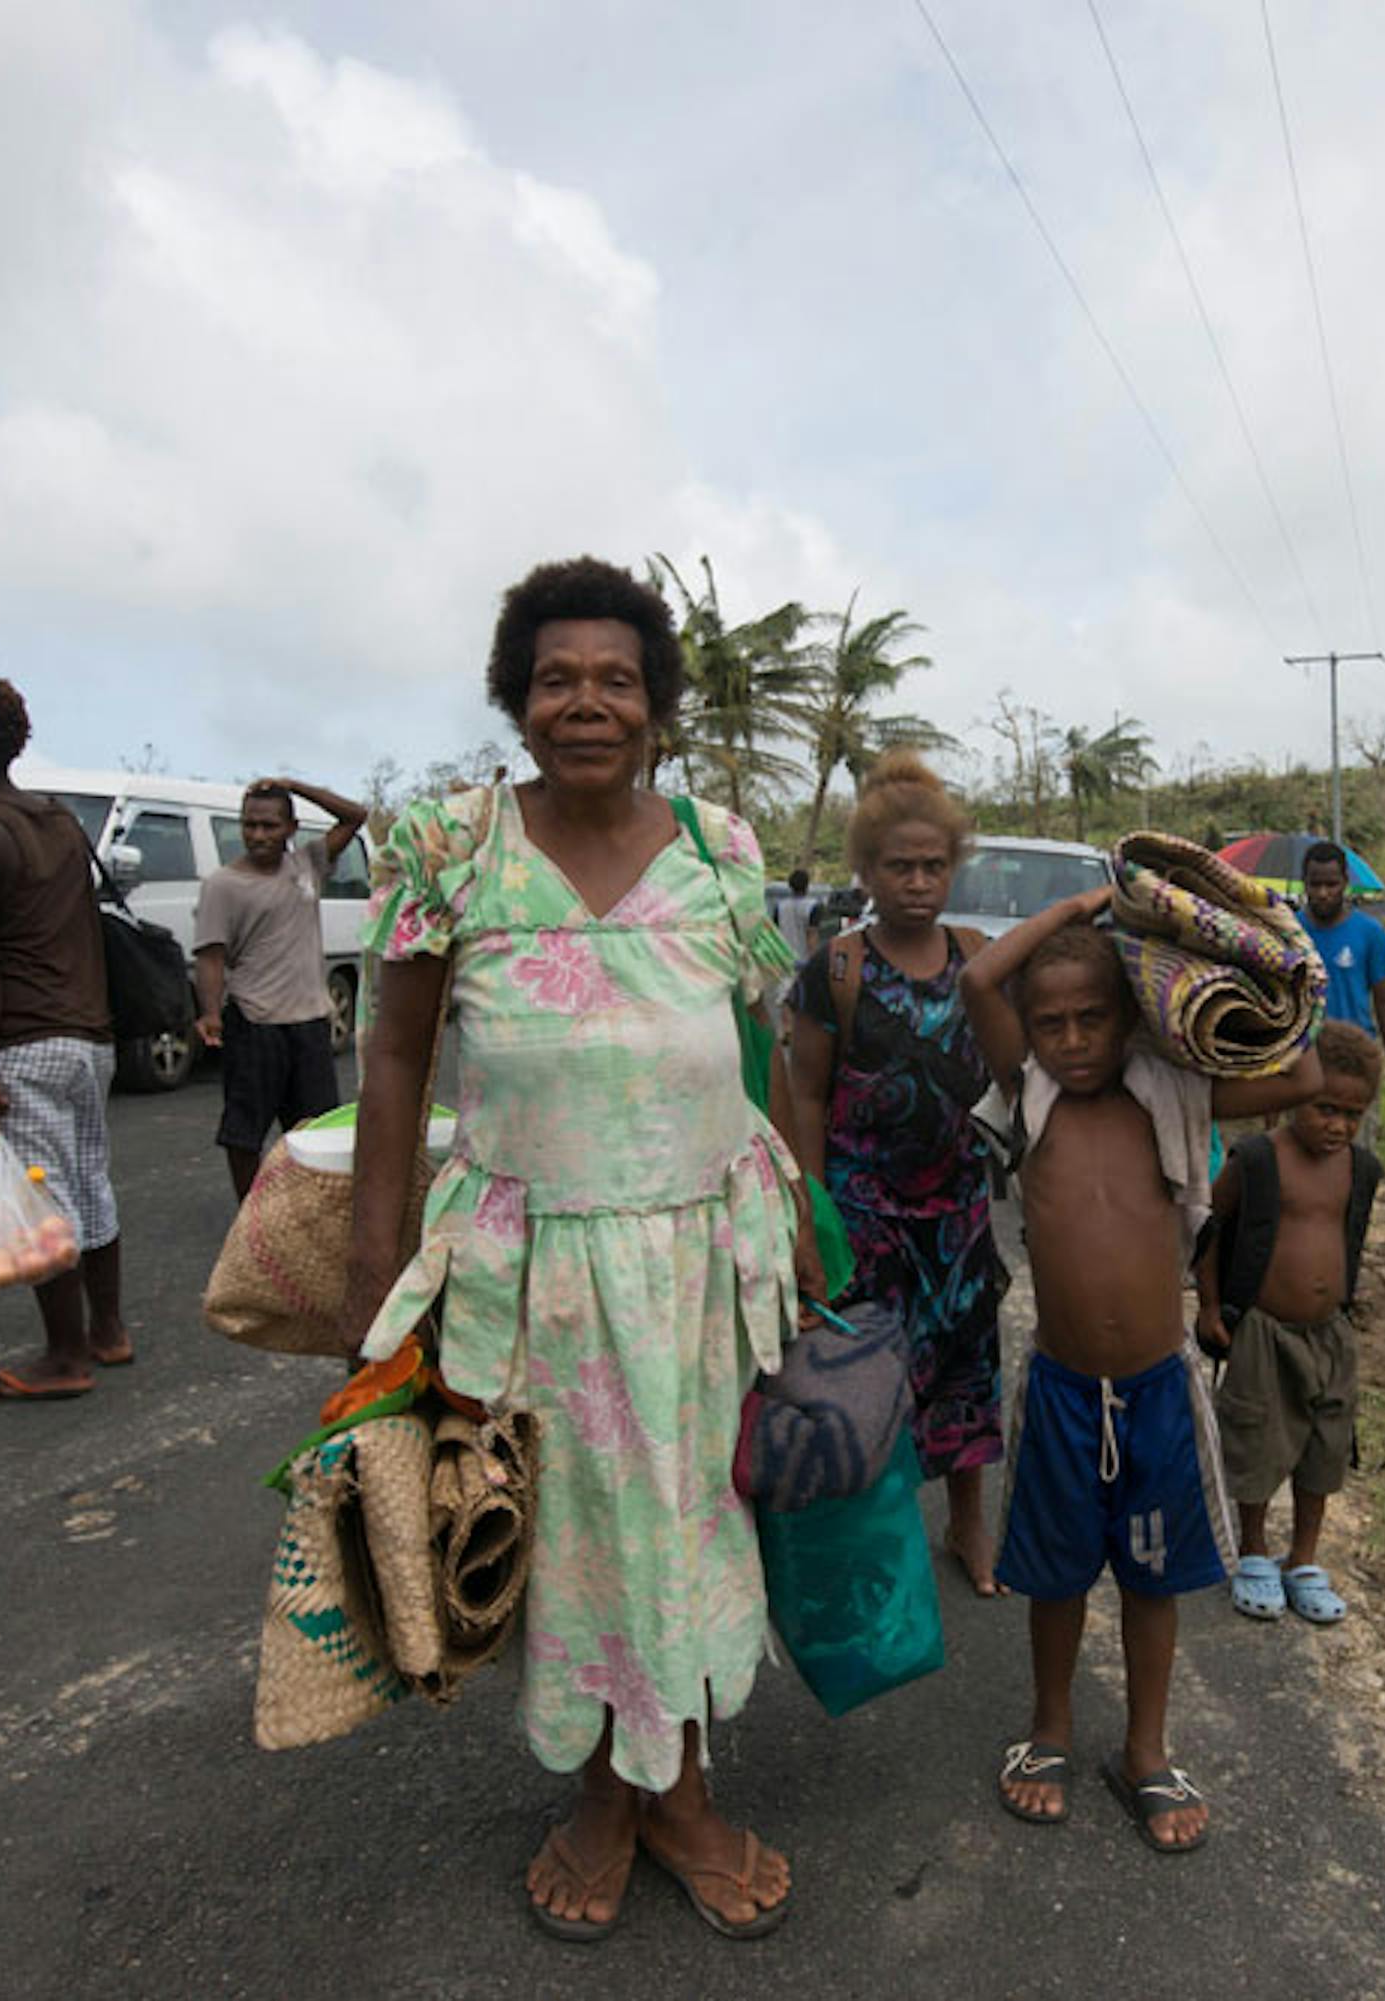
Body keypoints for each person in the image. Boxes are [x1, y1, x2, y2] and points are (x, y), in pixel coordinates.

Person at [341, 555, 817, 1944]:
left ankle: (673, 1788)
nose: (587, 702)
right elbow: (393, 1061)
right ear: (518, 698)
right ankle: (616, 1798)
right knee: (566, 1537)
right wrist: (377, 1272)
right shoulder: (447, 847)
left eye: (618, 678)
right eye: (559, 679)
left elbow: (762, 1049)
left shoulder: (723, 848)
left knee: (690, 1522)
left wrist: (804, 1228)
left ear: (658, 702)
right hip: (529, 1266)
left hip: (700, 1261)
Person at [965, 890, 1323, 1854]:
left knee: (1152, 1580)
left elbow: (1306, 1070)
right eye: (1052, 1023)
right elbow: (978, 976)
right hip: (1062, 1389)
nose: (1072, 1038)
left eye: (1093, 1017)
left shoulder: (1175, 1093)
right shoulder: (1028, 1096)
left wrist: (1237, 947)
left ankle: (1146, 1748)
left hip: (1160, 1389)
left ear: (1130, 1017)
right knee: (1056, 1574)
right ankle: (1049, 1730)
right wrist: (1086, 905)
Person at [777, 753, 1008, 1593]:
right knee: (870, 1379)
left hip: (958, 1216)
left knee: (965, 1370)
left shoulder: (980, 961)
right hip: (865, 1217)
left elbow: (1016, 1077)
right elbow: (803, 1093)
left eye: (934, 865)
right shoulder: (835, 971)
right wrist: (808, 1208)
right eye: (899, 867)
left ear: (954, 867)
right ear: (866, 872)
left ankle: (970, 1525)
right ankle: (880, 1543)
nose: (918, 882)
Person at [0, 670, 130, 1399]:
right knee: (86, 1181)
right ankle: (107, 1329)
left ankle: (64, 1357)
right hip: (88, 1036)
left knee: (37, 1197)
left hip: (24, 1041)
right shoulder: (58, 821)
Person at [1197, 1023, 1385, 1626]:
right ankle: (1253, 1551)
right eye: (1325, 1107)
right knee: (1256, 1440)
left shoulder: (1360, 1169)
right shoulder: (1256, 1160)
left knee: (1325, 1445)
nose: (1337, 1125)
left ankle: (1303, 1559)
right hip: (1262, 1330)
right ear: (1287, 1096)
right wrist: (1209, 1306)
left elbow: (1344, 1236)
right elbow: (1209, 1228)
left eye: (1352, 1114)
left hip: (1329, 1332)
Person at [191, 777, 368, 1200]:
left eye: (270, 826)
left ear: (291, 829)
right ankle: (252, 1216)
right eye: (249, 825)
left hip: (309, 1023)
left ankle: (315, 1211)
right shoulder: (223, 884)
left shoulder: (308, 864)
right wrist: (211, 1013)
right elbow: (210, 956)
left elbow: (355, 816)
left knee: (318, 1133)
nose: (258, 835)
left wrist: (292, 784)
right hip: (255, 1022)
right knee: (243, 1133)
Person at [1298, 842, 1385, 1134]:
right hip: (1305, 1060)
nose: (1323, 893)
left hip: (1356, 1064)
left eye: (1331, 884)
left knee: (1355, 1155)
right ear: (1305, 883)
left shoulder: (1369, 933)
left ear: (1345, 883)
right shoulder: (1290, 933)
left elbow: (1383, 1002)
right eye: (1315, 884)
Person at [772, 864, 819, 962]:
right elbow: (812, 936)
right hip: (803, 960)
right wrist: (813, 961)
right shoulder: (812, 906)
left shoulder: (780, 907)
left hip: (783, 959)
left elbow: (775, 935)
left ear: (790, 885)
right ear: (807, 885)